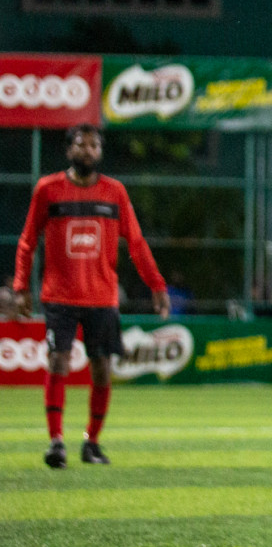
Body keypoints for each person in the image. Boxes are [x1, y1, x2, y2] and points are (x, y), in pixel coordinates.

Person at [5, 124, 169, 468]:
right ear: (69, 151)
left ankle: (91, 443)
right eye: (81, 145)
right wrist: (21, 287)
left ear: (100, 152)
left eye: (94, 145)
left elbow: (136, 244)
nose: (88, 151)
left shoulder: (115, 192)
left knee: (102, 372)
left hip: (102, 298)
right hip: (59, 297)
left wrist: (157, 285)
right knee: (58, 362)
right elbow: (27, 241)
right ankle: (56, 442)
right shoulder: (48, 189)